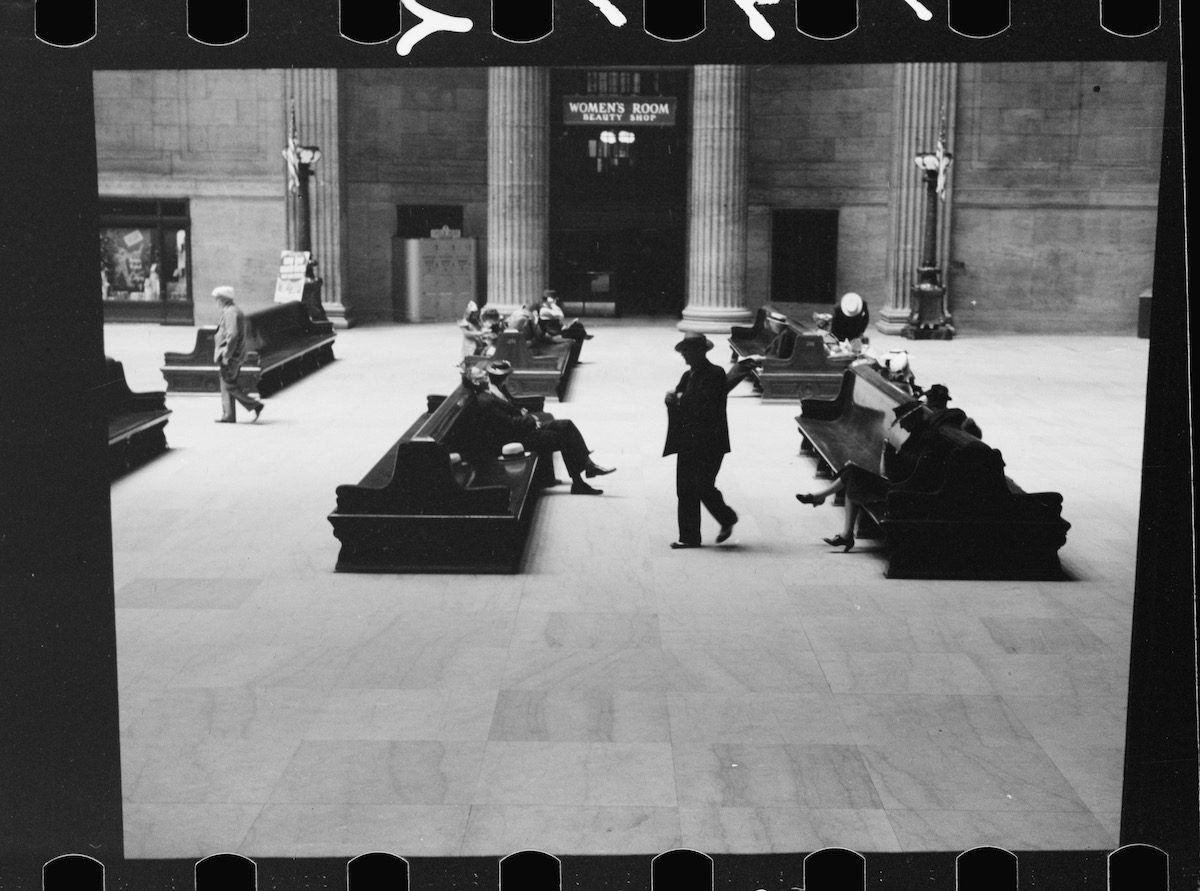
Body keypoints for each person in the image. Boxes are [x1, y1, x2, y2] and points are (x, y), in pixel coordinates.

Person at [794, 399, 941, 551]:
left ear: (912, 419)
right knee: (852, 472)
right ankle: (837, 522)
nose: (902, 426)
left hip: (901, 491)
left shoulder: (919, 441)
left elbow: (888, 472)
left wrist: (886, 452)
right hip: (898, 485)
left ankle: (832, 515)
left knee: (853, 474)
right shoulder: (916, 437)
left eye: (903, 422)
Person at [474, 360, 614, 494]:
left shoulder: (499, 390)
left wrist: (523, 413)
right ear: (503, 378)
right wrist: (531, 420)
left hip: (522, 429)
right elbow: (508, 425)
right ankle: (578, 482)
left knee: (566, 425)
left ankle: (589, 465)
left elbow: (512, 409)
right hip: (515, 438)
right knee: (561, 437)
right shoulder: (486, 400)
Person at [664, 333, 740, 549]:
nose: (684, 356)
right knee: (685, 488)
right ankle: (689, 537)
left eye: (687, 352)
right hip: (688, 441)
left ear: (700, 352)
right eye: (683, 352)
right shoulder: (688, 376)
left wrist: (678, 399)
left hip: (710, 442)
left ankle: (726, 517)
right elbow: (679, 397)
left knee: (702, 485)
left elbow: (703, 404)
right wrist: (671, 399)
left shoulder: (715, 373)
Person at [211, 286, 264, 424]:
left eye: (217, 299)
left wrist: (227, 356)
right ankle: (228, 415)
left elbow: (232, 336)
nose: (216, 302)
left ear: (223, 300)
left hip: (231, 356)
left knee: (229, 385)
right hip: (234, 355)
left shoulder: (230, 312)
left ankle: (254, 405)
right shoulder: (232, 311)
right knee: (226, 384)